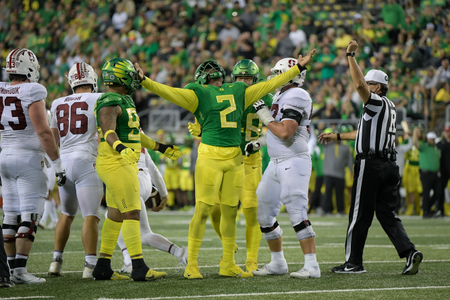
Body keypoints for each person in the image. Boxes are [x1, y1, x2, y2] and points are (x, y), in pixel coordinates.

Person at [135, 50, 315, 279]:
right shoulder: (239, 91)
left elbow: (169, 92)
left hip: (220, 157)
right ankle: (220, 261)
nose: (243, 81)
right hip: (233, 157)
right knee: (222, 211)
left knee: (213, 210)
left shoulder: (199, 91)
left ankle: (208, 264)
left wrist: (145, 81)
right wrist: (297, 69)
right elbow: (271, 85)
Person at [318, 40, 422, 275]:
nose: (366, 84)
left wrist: (350, 55)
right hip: (388, 165)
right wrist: (337, 136)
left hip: (371, 164)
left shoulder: (374, 101)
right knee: (386, 213)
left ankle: (353, 262)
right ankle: (409, 252)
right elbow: (362, 132)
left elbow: (357, 84)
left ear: (377, 86)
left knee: (359, 213)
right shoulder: (390, 106)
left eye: (370, 82)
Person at [92, 58, 182, 282]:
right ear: (119, 77)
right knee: (131, 212)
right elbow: (108, 132)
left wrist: (161, 147)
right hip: (116, 163)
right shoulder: (109, 100)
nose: (134, 79)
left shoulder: (125, 100)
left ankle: (102, 267)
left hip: (122, 162)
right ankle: (138, 267)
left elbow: (136, 136)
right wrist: (121, 148)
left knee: (114, 216)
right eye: (130, 75)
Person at [250, 57, 320, 279]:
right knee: (263, 210)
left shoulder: (297, 95)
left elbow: (284, 132)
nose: (274, 77)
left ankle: (312, 266)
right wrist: (258, 143)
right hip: (276, 161)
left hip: (294, 159)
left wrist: (262, 113)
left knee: (296, 209)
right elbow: (275, 129)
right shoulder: (282, 94)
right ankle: (278, 262)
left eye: (279, 73)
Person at [0, 48, 66, 284]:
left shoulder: (1, 88)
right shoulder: (33, 89)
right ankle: (19, 271)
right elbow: (42, 130)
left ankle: (8, 271)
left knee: (10, 216)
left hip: (4, 156)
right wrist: (57, 163)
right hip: (27, 158)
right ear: (29, 67)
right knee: (29, 216)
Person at [206, 59, 273, 273]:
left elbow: (277, 130)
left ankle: (252, 260)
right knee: (215, 208)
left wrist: (259, 143)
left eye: (248, 78)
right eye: (241, 78)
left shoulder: (267, 97)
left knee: (251, 209)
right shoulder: (226, 94)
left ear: (255, 79)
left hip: (251, 160)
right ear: (233, 79)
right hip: (228, 156)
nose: (244, 82)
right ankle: (229, 245)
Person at [47, 62, 104, 279]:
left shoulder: (57, 102)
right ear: (92, 80)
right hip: (86, 161)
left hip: (64, 161)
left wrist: (56, 163)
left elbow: (53, 138)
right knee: (91, 215)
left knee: (66, 214)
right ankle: (89, 266)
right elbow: (101, 133)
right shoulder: (98, 99)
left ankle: (56, 261)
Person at [117, 145, 187, 273]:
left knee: (113, 220)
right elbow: (153, 168)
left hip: (130, 180)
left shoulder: (113, 131)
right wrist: (164, 193)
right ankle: (180, 252)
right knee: (144, 232)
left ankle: (128, 261)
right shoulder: (138, 132)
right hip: (145, 181)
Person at [413, 129, 441, 218]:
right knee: (426, 193)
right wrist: (414, 132)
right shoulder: (424, 146)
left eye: (433, 139)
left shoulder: (435, 148)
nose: (432, 140)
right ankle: (425, 211)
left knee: (438, 192)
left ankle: (427, 208)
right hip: (426, 173)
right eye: (430, 138)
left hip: (435, 173)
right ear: (427, 139)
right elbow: (415, 142)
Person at [437, 125, 450, 217]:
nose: (447, 133)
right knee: (441, 190)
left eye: (448, 131)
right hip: (443, 170)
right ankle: (440, 209)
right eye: (445, 131)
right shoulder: (440, 143)